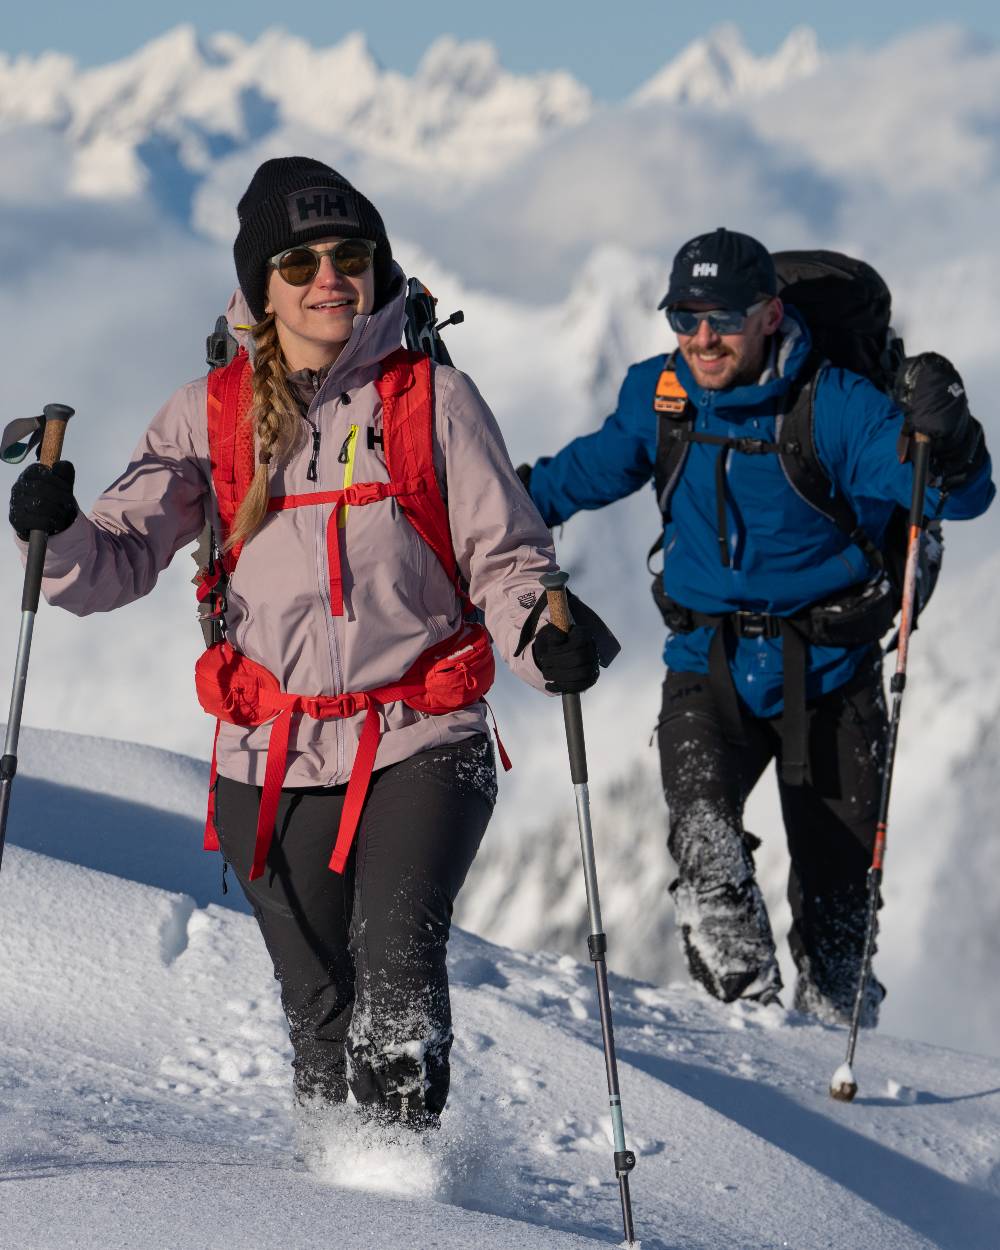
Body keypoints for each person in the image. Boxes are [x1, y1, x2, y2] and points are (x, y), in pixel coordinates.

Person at [7, 156, 602, 1129]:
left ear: (377, 268)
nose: (329, 275)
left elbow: (508, 560)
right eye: (300, 260)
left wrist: (546, 638)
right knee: (321, 1014)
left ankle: (407, 1189)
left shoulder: (434, 402)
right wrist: (56, 526)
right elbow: (109, 562)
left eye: (349, 253)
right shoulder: (207, 414)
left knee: (395, 974)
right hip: (267, 753)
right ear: (259, 285)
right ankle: (343, 1201)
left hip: (423, 734)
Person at [518, 227, 994, 1024]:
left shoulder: (836, 405)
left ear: (771, 315)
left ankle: (838, 1064)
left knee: (840, 914)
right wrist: (479, 509)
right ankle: (754, 1044)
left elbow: (954, 496)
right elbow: (577, 476)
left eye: (724, 318)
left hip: (835, 678)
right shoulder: (659, 396)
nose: (702, 338)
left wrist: (952, 438)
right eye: (684, 316)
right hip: (708, 663)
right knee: (706, 854)